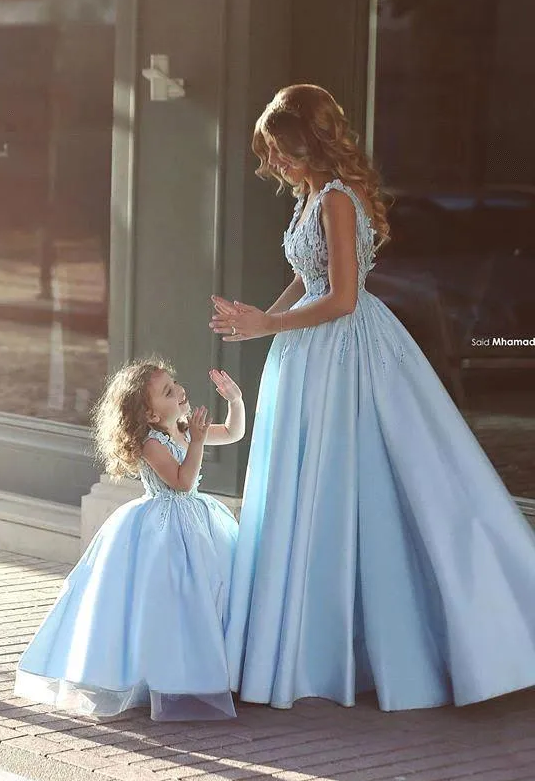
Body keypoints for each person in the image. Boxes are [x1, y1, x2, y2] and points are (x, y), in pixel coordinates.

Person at [210, 83, 535, 712]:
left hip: (344, 356)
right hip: (307, 356)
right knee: (310, 491)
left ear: (309, 142)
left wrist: (268, 325)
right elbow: (309, 283)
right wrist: (255, 319)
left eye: (282, 150)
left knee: (357, 489)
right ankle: (308, 646)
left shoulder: (336, 198)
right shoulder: (311, 196)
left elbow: (343, 299)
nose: (275, 163)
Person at [15, 360, 245, 721]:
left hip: (199, 523)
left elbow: (233, 433)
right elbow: (182, 482)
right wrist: (197, 441)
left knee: (206, 594)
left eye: (175, 383)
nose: (179, 390)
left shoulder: (183, 429)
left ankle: (213, 669)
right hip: (165, 525)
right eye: (168, 391)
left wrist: (234, 400)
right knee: (167, 601)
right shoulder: (151, 444)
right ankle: (160, 677)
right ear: (150, 414)